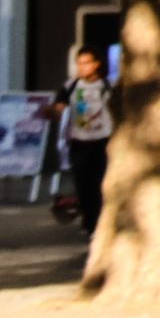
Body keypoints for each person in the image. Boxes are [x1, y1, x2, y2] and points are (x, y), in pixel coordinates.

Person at [46, 48, 111, 243]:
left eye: (86, 63)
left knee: (99, 186)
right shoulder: (71, 86)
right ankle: (90, 224)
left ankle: (97, 225)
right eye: (79, 63)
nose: (81, 67)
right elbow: (59, 106)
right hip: (79, 142)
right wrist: (52, 112)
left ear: (97, 63)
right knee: (83, 186)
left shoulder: (108, 86)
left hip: (102, 142)